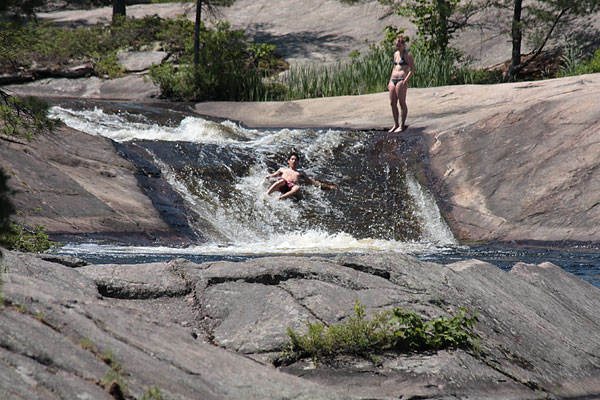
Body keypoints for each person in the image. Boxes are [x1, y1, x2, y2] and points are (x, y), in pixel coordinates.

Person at [265, 153, 334, 200]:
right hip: (283, 184)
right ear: (288, 161)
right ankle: (267, 194)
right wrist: (268, 177)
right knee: (282, 180)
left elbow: (310, 181)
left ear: (298, 162)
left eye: (296, 160)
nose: (294, 161)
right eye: (292, 159)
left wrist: (327, 186)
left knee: (297, 187)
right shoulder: (283, 169)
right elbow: (273, 175)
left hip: (292, 188)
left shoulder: (300, 173)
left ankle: (280, 198)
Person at [388, 34, 415, 133]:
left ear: (403, 45)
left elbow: (412, 69)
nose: (397, 47)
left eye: (399, 45)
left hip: (401, 80)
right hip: (393, 79)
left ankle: (401, 125)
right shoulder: (395, 54)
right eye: (396, 45)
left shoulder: (408, 55)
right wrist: (390, 80)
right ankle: (395, 124)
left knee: (401, 102)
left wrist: (405, 80)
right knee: (392, 102)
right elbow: (394, 68)